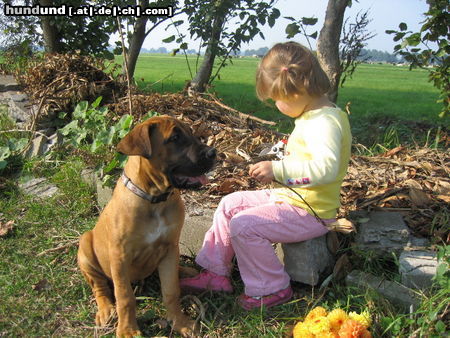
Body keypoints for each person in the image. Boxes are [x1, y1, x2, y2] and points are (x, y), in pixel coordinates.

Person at [180, 41, 352, 310]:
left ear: (297, 92)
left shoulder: (325, 124)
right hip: (292, 198)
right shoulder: (312, 116)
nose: (276, 105)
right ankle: (216, 273)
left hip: (311, 211)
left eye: (277, 100)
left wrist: (278, 170)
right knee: (230, 205)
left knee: (244, 226)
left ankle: (271, 289)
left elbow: (325, 169)